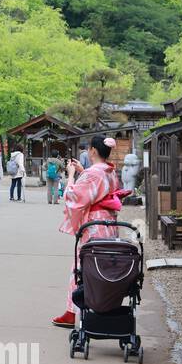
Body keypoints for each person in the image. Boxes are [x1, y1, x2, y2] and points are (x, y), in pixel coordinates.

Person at [52, 135, 122, 328]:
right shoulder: (109, 171)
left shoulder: (93, 174)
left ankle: (71, 311)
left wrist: (72, 175)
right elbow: (97, 189)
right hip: (109, 225)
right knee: (102, 267)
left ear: (92, 150)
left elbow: (74, 198)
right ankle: (104, 307)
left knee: (82, 268)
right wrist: (84, 172)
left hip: (94, 226)